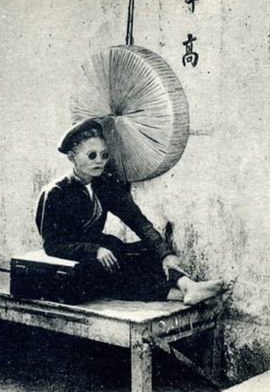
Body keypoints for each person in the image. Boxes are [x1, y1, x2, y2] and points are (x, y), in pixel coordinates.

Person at [35, 118, 224, 305]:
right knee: (113, 269)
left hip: (103, 250)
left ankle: (187, 285)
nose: (99, 161)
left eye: (104, 155)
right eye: (92, 156)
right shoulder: (55, 192)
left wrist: (165, 254)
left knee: (145, 252)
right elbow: (53, 245)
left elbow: (137, 221)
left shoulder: (105, 184)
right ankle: (184, 295)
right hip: (76, 259)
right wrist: (94, 250)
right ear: (72, 157)